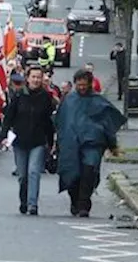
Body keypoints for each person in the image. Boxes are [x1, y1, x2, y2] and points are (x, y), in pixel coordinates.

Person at [54, 69, 125, 217]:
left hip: (92, 145)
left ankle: (84, 204)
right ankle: (75, 200)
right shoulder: (68, 101)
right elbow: (61, 122)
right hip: (71, 144)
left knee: (89, 172)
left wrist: (112, 145)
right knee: (72, 174)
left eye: (84, 85)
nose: (82, 88)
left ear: (90, 84)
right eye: (79, 85)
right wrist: (56, 142)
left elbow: (108, 125)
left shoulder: (99, 101)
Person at [2, 64, 56, 215]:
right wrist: (3, 135)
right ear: (27, 78)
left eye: (39, 77)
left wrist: (51, 142)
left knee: (34, 171)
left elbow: (48, 121)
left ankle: (33, 204)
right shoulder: (19, 95)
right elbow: (9, 117)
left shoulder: (46, 97)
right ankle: (24, 201)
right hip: (20, 141)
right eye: (33, 77)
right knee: (22, 175)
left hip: (38, 141)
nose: (36, 80)